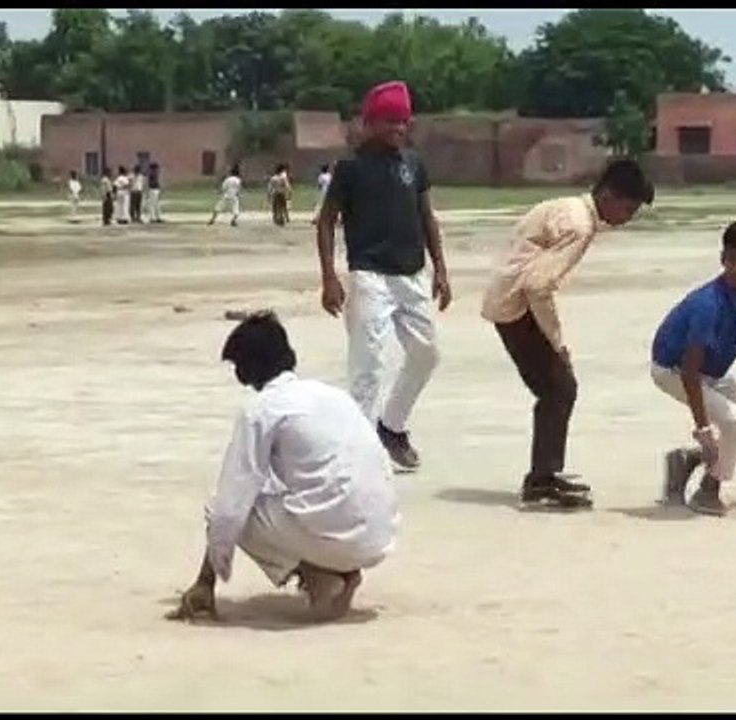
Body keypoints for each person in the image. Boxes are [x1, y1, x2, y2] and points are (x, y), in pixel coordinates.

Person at [166, 311, 399, 624]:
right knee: (295, 494)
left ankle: (323, 574)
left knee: (221, 511)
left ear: (249, 368)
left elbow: (230, 505)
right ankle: (337, 567)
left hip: (338, 535)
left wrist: (207, 580)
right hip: (379, 534)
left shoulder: (261, 410)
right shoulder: (334, 396)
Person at [480, 159, 655, 509]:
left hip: (507, 299)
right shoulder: (579, 225)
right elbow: (537, 286)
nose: (628, 218)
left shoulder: (568, 208)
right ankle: (540, 483)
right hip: (517, 308)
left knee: (555, 390)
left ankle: (544, 476)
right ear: (608, 195)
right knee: (560, 388)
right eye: (629, 208)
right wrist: (557, 343)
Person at [317, 80, 450, 472]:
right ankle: (357, 453)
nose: (398, 129)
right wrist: (329, 276)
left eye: (403, 122)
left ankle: (391, 428)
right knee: (368, 365)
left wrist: (440, 267)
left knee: (427, 354)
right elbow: (325, 221)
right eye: (390, 121)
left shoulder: (413, 165)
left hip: (411, 274)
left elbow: (427, 216)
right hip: (369, 275)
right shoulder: (350, 168)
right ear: (370, 123)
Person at [650, 219, 736, 516]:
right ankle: (708, 492)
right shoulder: (708, 304)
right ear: (722, 258)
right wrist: (703, 429)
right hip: (672, 370)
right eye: (731, 260)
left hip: (711, 374)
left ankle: (687, 460)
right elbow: (689, 369)